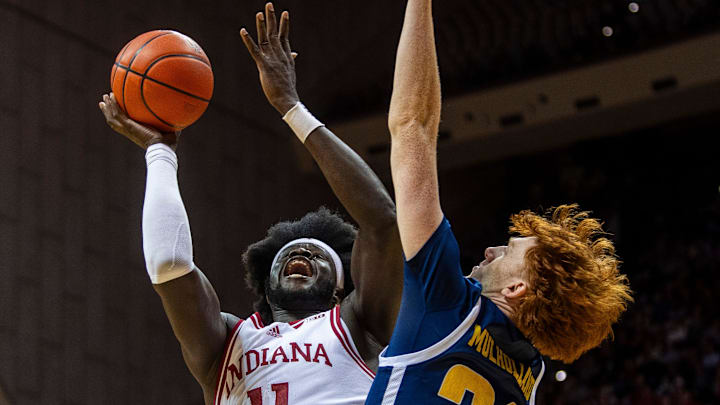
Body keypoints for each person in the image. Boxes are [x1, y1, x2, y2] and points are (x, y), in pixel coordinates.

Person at [98, 3, 403, 404]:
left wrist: (291, 107)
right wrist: (159, 152)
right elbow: (169, 266)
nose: (304, 254)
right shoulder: (226, 344)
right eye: (292, 253)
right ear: (267, 287)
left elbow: (382, 222)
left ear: (341, 290)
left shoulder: (360, 325)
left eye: (318, 255)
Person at [365, 0, 633, 404]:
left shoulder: (450, 307)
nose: (491, 250)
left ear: (516, 287)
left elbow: (411, 126)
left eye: (509, 251)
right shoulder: (529, 374)